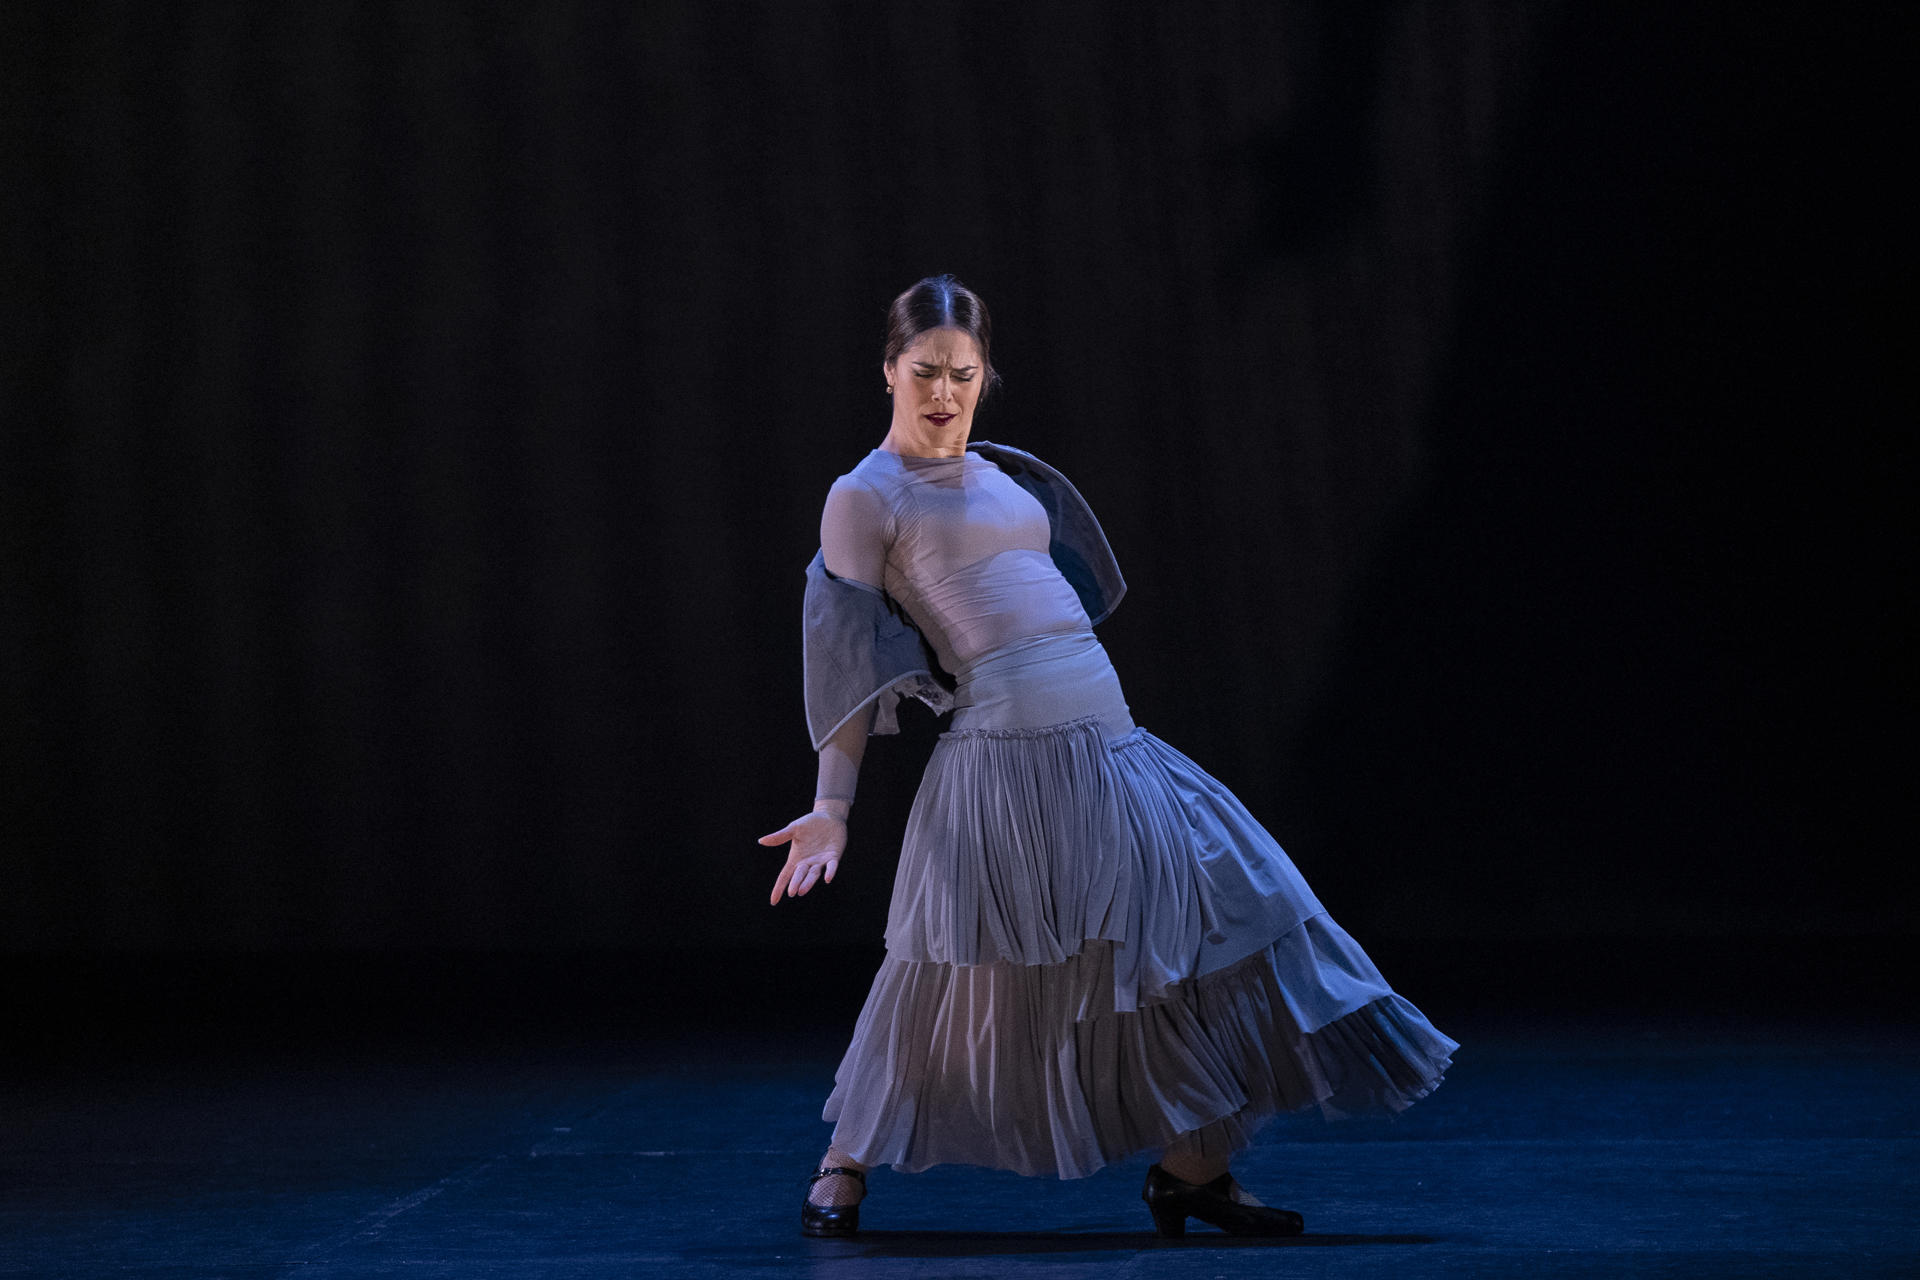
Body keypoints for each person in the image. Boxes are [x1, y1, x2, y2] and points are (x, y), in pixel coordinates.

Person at [759, 274, 1455, 1239]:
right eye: (924, 372)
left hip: (1111, 747)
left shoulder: (1007, 473)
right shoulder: (864, 497)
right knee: (957, 974)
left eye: (962, 374)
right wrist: (832, 804)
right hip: (1004, 766)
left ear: (984, 374)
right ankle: (843, 1164)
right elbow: (842, 657)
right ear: (888, 371)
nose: (944, 394)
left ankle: (1193, 1169)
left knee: (1203, 933)